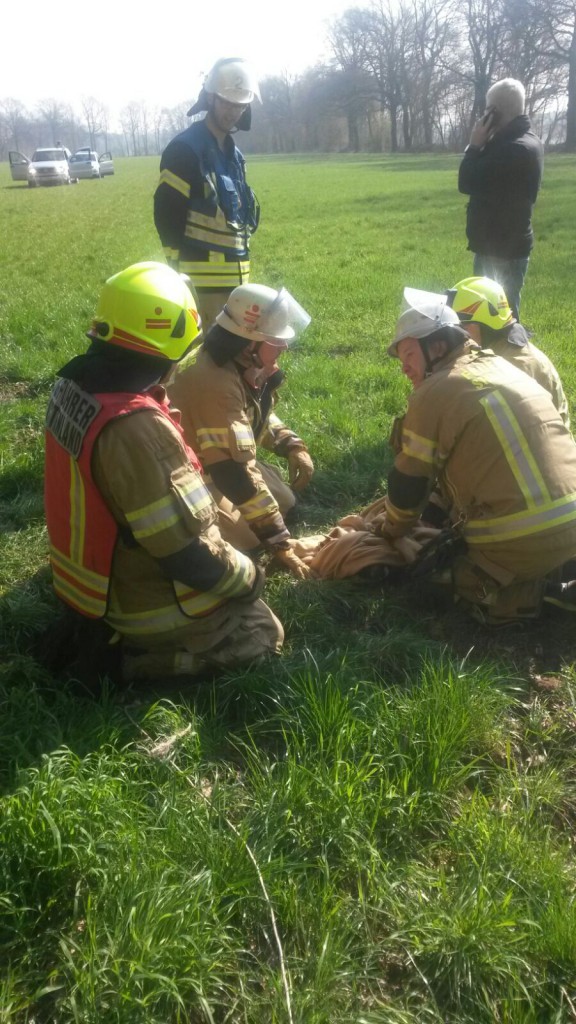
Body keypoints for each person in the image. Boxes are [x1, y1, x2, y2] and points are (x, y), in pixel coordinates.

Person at [44, 262, 283, 684]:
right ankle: (131, 663)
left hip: (84, 584)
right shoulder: (138, 428)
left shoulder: (72, 386)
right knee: (262, 633)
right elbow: (184, 555)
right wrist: (251, 577)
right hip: (137, 604)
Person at [376, 290, 576, 624]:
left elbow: (408, 484)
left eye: (408, 354)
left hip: (518, 539)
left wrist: (391, 531)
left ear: (436, 347)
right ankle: (559, 562)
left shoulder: (434, 392)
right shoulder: (504, 365)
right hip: (570, 519)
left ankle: (542, 595)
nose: (404, 368)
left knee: (428, 578)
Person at [168, 283, 315, 579]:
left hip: (220, 458)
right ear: (249, 341)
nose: (284, 345)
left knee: (284, 501)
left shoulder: (238, 363)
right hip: (196, 473)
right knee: (249, 537)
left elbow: (252, 417)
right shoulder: (214, 383)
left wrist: (291, 444)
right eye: (275, 338)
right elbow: (235, 474)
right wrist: (279, 542)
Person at [153, 58, 261, 332]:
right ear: (210, 98)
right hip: (201, 288)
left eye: (240, 104)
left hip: (237, 287)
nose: (233, 111)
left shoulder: (235, 156)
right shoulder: (184, 150)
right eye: (227, 102)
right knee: (204, 365)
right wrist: (177, 274)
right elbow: (166, 214)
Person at [458, 78, 544, 320]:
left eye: (487, 110)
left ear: (493, 112)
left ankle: (511, 356)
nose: (483, 115)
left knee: (500, 320)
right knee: (498, 316)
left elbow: (466, 181)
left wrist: (474, 146)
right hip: (504, 244)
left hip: (500, 249)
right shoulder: (528, 141)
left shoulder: (512, 150)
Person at [448, 276, 570, 428]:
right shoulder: (500, 349)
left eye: (462, 328)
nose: (456, 336)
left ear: (486, 326)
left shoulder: (515, 365)